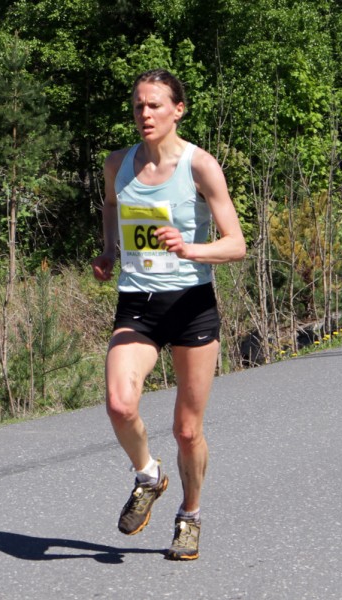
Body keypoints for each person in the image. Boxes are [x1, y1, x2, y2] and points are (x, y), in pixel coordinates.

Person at [92, 69, 246, 561]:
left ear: (178, 109)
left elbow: (237, 245)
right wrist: (109, 252)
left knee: (186, 430)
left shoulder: (200, 167)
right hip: (137, 302)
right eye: (138, 106)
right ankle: (148, 475)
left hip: (191, 305)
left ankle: (190, 514)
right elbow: (112, 205)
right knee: (119, 403)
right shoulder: (118, 164)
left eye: (155, 105)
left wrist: (190, 249)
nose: (145, 114)